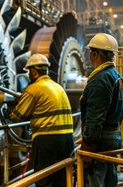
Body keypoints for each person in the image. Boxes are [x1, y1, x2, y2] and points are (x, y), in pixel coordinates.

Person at [8, 53, 74, 187]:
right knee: (62, 177)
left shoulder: (34, 88)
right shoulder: (57, 87)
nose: (28, 75)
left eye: (29, 72)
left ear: (33, 71)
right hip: (67, 138)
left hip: (47, 139)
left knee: (43, 179)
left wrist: (8, 107)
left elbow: (16, 117)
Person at [80, 33, 123, 186]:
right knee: (110, 179)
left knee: (94, 181)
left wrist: (87, 148)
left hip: (100, 141)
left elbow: (95, 119)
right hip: (114, 136)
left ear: (94, 54)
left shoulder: (99, 80)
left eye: (90, 53)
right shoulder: (117, 76)